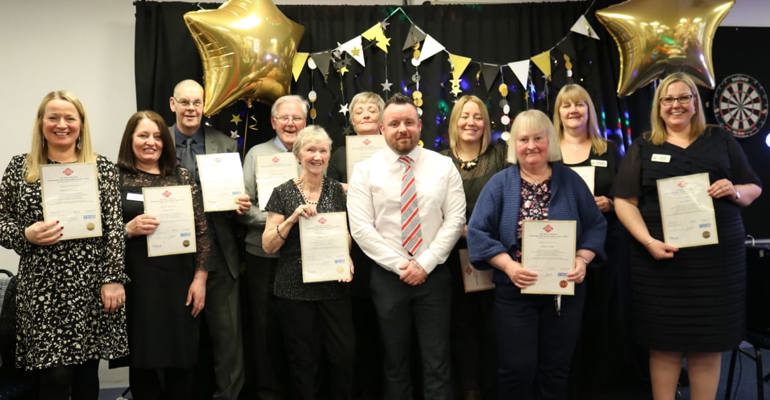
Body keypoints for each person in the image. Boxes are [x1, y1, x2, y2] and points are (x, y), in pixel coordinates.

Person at [612, 72, 762, 400]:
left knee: (708, 345)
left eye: (684, 97)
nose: (676, 105)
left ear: (695, 103)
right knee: (663, 345)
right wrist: (648, 242)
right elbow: (624, 201)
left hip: (716, 264)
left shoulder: (720, 139)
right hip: (661, 262)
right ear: (659, 105)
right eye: (668, 99)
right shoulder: (644, 145)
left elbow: (754, 188)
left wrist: (734, 190)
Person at [467, 109, 606, 400]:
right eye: (523, 139)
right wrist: (508, 266)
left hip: (563, 291)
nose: (531, 145)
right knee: (517, 368)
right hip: (515, 289)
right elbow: (478, 232)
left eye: (538, 138)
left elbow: (596, 225)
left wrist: (582, 259)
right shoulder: (500, 184)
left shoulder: (571, 181)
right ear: (514, 145)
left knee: (556, 369)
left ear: (550, 141)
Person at [0, 90, 127, 399]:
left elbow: (114, 229)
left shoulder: (103, 169)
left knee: (86, 376)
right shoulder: (20, 168)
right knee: (53, 379)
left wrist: (112, 278)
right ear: (41, 123)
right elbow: (2, 220)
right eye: (53, 117)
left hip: (89, 285)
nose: (62, 124)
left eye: (70, 117)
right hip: (41, 289)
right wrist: (25, 234)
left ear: (81, 124)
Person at [347, 93, 466, 399]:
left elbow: (454, 220)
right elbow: (361, 228)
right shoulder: (365, 170)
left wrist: (424, 264)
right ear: (383, 129)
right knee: (394, 363)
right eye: (395, 123)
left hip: (434, 276)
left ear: (420, 126)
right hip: (388, 279)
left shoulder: (443, 166)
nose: (403, 129)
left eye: (409, 122)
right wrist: (401, 265)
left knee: (437, 361)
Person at [116, 110, 211, 398]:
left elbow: (203, 232)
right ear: (130, 139)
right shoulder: (114, 178)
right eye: (143, 135)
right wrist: (128, 229)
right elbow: (103, 235)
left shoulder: (180, 175)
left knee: (181, 361)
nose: (151, 142)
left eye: (158, 136)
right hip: (138, 284)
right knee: (144, 363)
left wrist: (200, 278)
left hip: (179, 281)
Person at [261, 125, 355, 399]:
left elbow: (345, 232)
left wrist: (346, 256)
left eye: (322, 150)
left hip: (333, 287)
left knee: (343, 358)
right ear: (297, 154)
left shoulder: (339, 191)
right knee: (304, 364)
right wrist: (292, 218)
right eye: (310, 150)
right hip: (293, 291)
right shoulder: (282, 192)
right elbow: (268, 245)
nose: (317, 156)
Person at [170, 79, 248, 400]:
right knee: (173, 340)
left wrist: (239, 206)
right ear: (173, 104)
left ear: (204, 106)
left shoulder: (224, 144)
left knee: (228, 341)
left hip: (218, 253)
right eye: (184, 102)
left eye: (197, 102)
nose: (191, 108)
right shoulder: (154, 140)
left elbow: (232, 206)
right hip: (169, 255)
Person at [551, 84, 627, 395]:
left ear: (589, 110)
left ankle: (599, 387)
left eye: (579, 105)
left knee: (601, 319)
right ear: (558, 112)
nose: (573, 111)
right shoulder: (549, 150)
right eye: (566, 106)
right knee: (564, 324)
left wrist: (609, 202)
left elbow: (624, 195)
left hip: (603, 247)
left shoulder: (607, 149)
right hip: (557, 249)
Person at [240, 94, 308, 399]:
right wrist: (276, 221)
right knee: (265, 329)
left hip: (304, 257)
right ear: (273, 122)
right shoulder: (256, 154)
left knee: (299, 331)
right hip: (263, 255)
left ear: (306, 123)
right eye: (285, 118)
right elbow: (242, 205)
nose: (291, 124)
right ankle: (269, 393)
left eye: (297, 118)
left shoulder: (313, 152)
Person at [440, 95, 507, 400]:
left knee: (494, 326)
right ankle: (468, 389)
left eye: (477, 116)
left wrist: (479, 233)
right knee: (461, 327)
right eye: (464, 116)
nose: (471, 122)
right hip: (450, 257)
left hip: (495, 254)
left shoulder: (502, 156)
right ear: (455, 122)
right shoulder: (439, 161)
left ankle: (494, 387)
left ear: (486, 123)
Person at [325, 91, 385, 399]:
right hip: (353, 248)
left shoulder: (392, 149)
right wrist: (345, 189)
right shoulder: (337, 155)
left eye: (372, 109)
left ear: (381, 117)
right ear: (351, 118)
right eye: (359, 110)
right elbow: (329, 198)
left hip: (388, 246)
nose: (365, 114)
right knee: (359, 322)